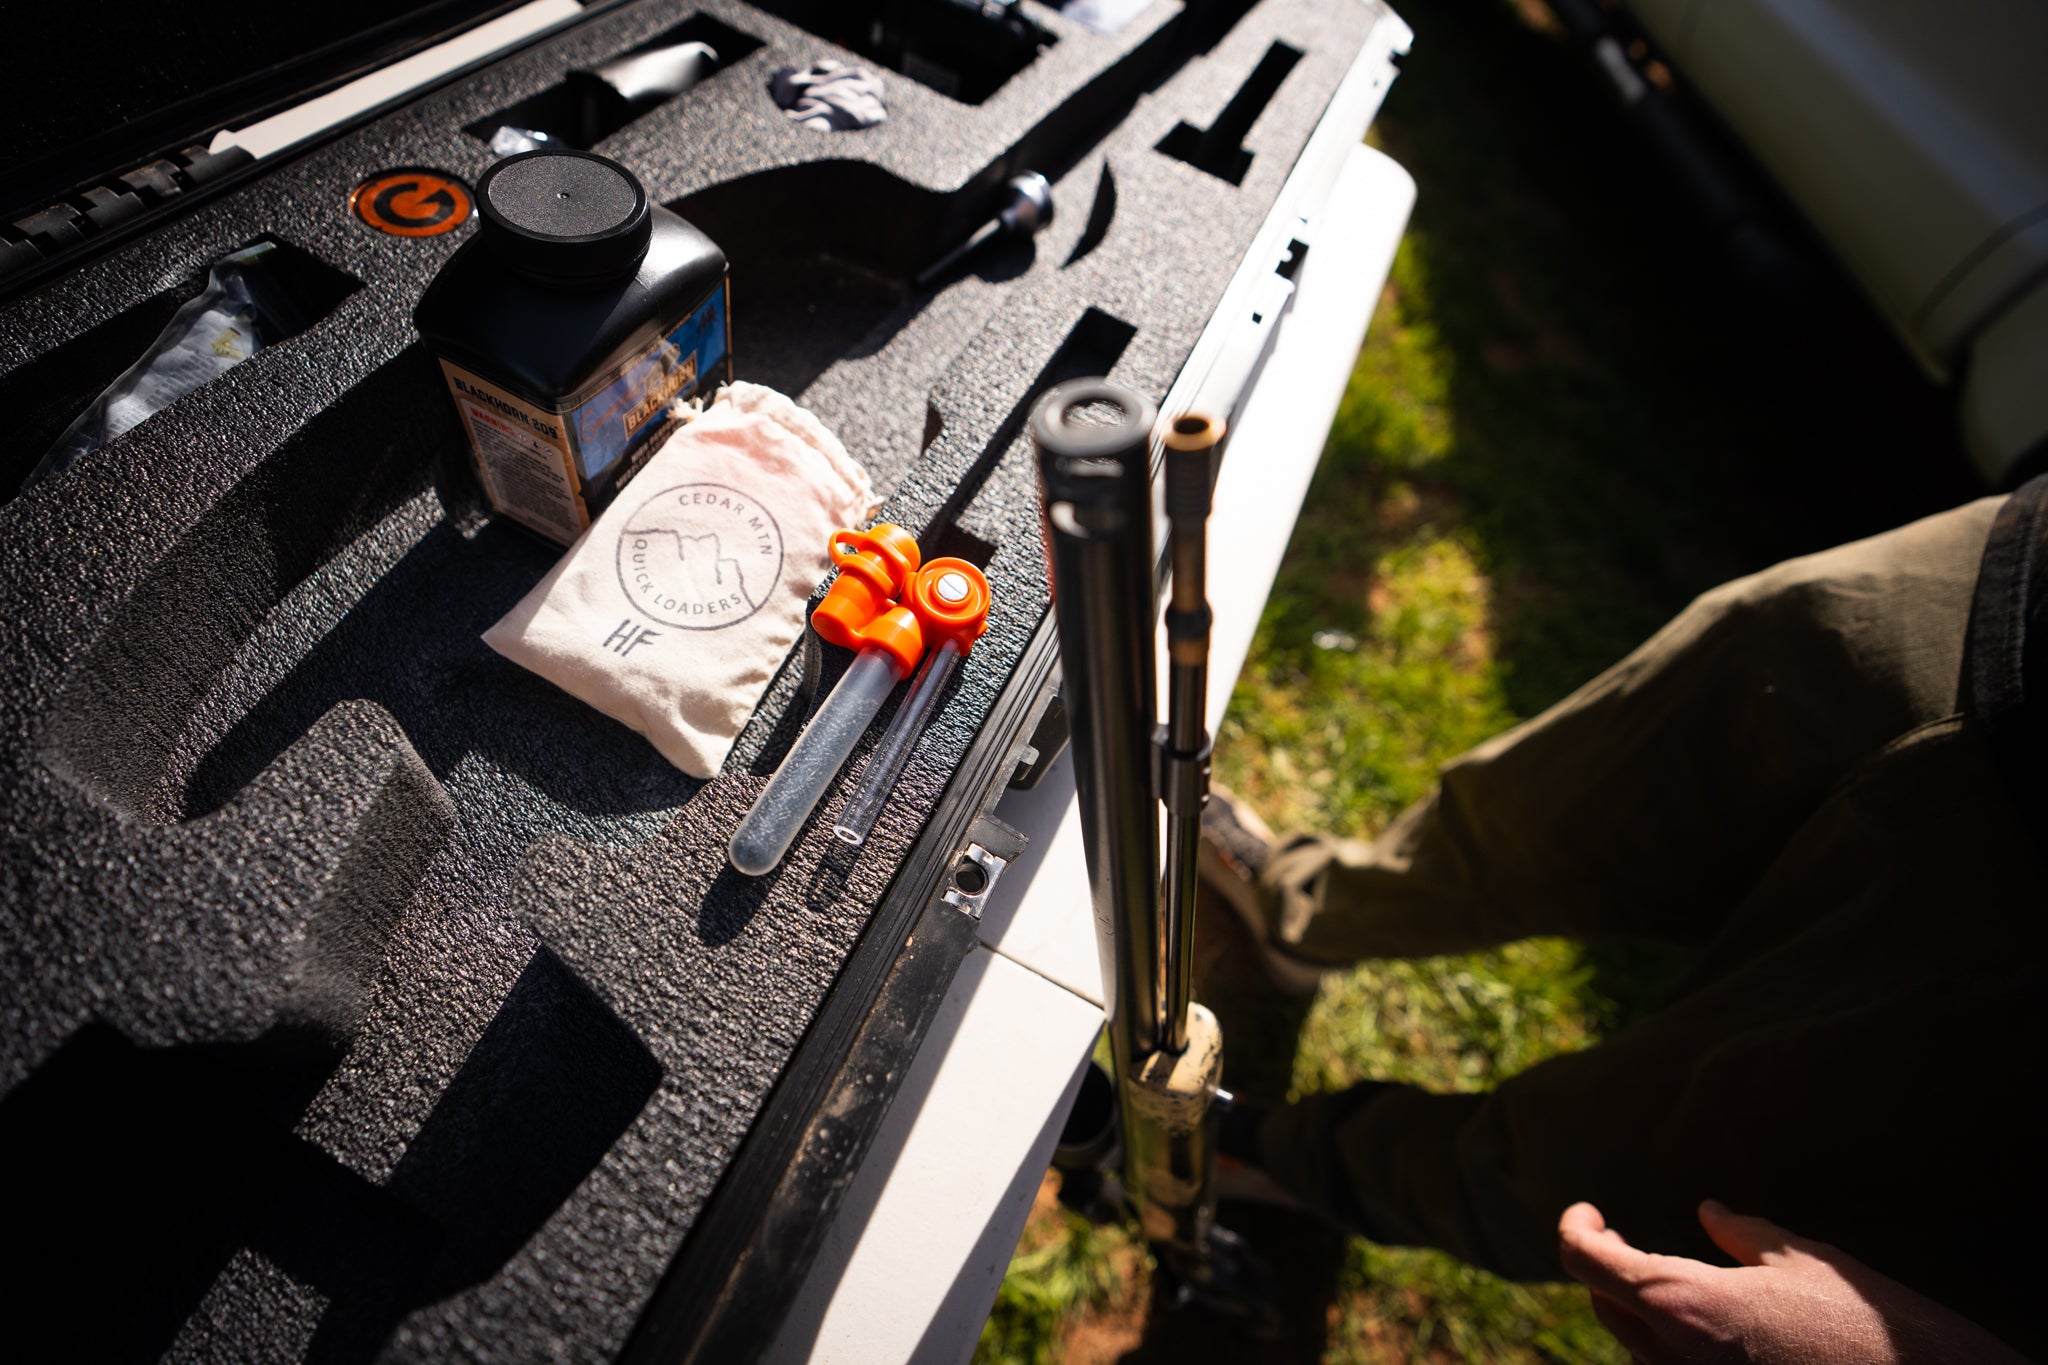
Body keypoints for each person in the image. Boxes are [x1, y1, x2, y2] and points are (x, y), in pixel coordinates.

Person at [1201, 486, 2048, 1360]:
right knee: (1542, 811)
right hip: (2008, 597)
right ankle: (1305, 909)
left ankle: (1283, 1158)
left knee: (1613, 1169)